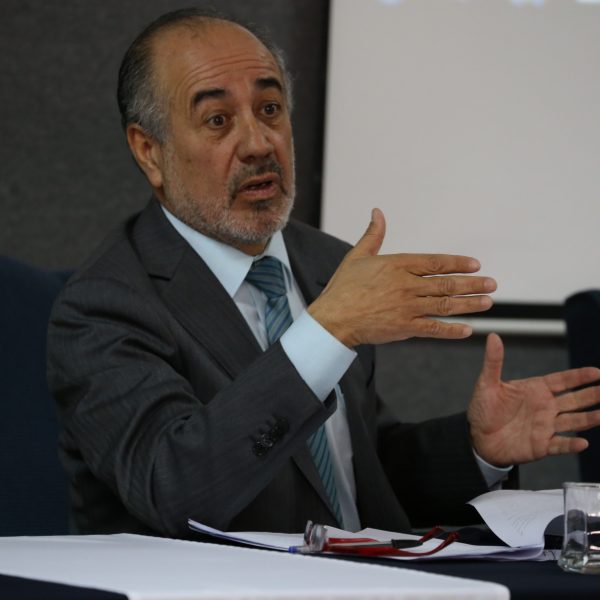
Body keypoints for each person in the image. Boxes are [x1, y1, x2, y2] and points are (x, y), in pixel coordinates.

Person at [48, 8, 600, 539]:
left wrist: (477, 448)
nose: (259, 144)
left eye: (270, 109)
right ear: (149, 151)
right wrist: (325, 332)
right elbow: (175, 487)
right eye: (218, 120)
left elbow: (351, 474)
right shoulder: (104, 304)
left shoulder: (325, 265)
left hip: (370, 578)